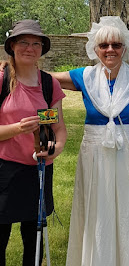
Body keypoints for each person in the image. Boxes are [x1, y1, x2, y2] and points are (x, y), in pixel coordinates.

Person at [51, 16, 129, 266]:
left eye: (116, 44)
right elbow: (46, 78)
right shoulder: (85, 77)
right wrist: (11, 66)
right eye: (104, 45)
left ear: (125, 48)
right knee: (97, 212)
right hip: (95, 155)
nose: (110, 49)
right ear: (95, 49)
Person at [0, 20, 67, 266]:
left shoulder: (50, 84)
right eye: (24, 42)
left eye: (36, 43)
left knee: (34, 236)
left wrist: (55, 149)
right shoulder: (2, 78)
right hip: (4, 171)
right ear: (12, 46)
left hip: (38, 170)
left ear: (42, 49)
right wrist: (17, 129)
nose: (30, 48)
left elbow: (59, 129)